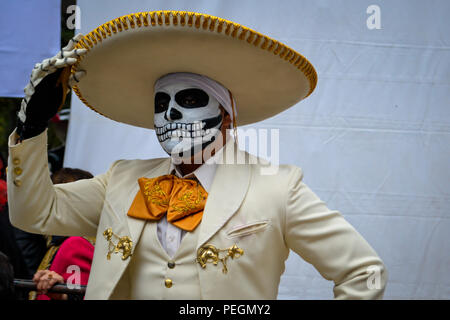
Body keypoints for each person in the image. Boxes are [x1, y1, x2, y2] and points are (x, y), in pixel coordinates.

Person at [7, 11, 387, 299]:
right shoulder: (122, 180)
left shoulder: (279, 187)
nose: (171, 114)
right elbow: (35, 213)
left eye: (190, 100)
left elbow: (363, 271)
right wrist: (32, 131)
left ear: (226, 114)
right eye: (161, 103)